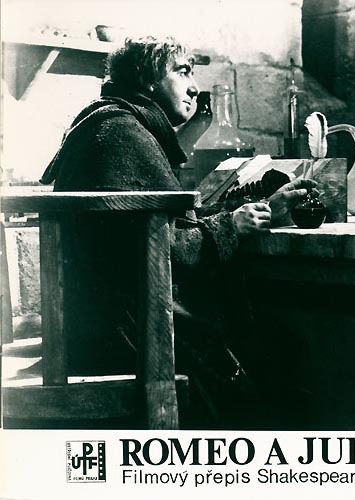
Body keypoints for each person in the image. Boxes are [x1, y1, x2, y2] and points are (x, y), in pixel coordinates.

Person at [40, 36, 316, 428]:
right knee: (282, 348)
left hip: (102, 326)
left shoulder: (112, 124)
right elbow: (163, 249)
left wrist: (260, 209)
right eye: (182, 72)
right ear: (148, 79)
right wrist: (232, 225)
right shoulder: (123, 135)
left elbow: (163, 227)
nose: (193, 87)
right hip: (126, 337)